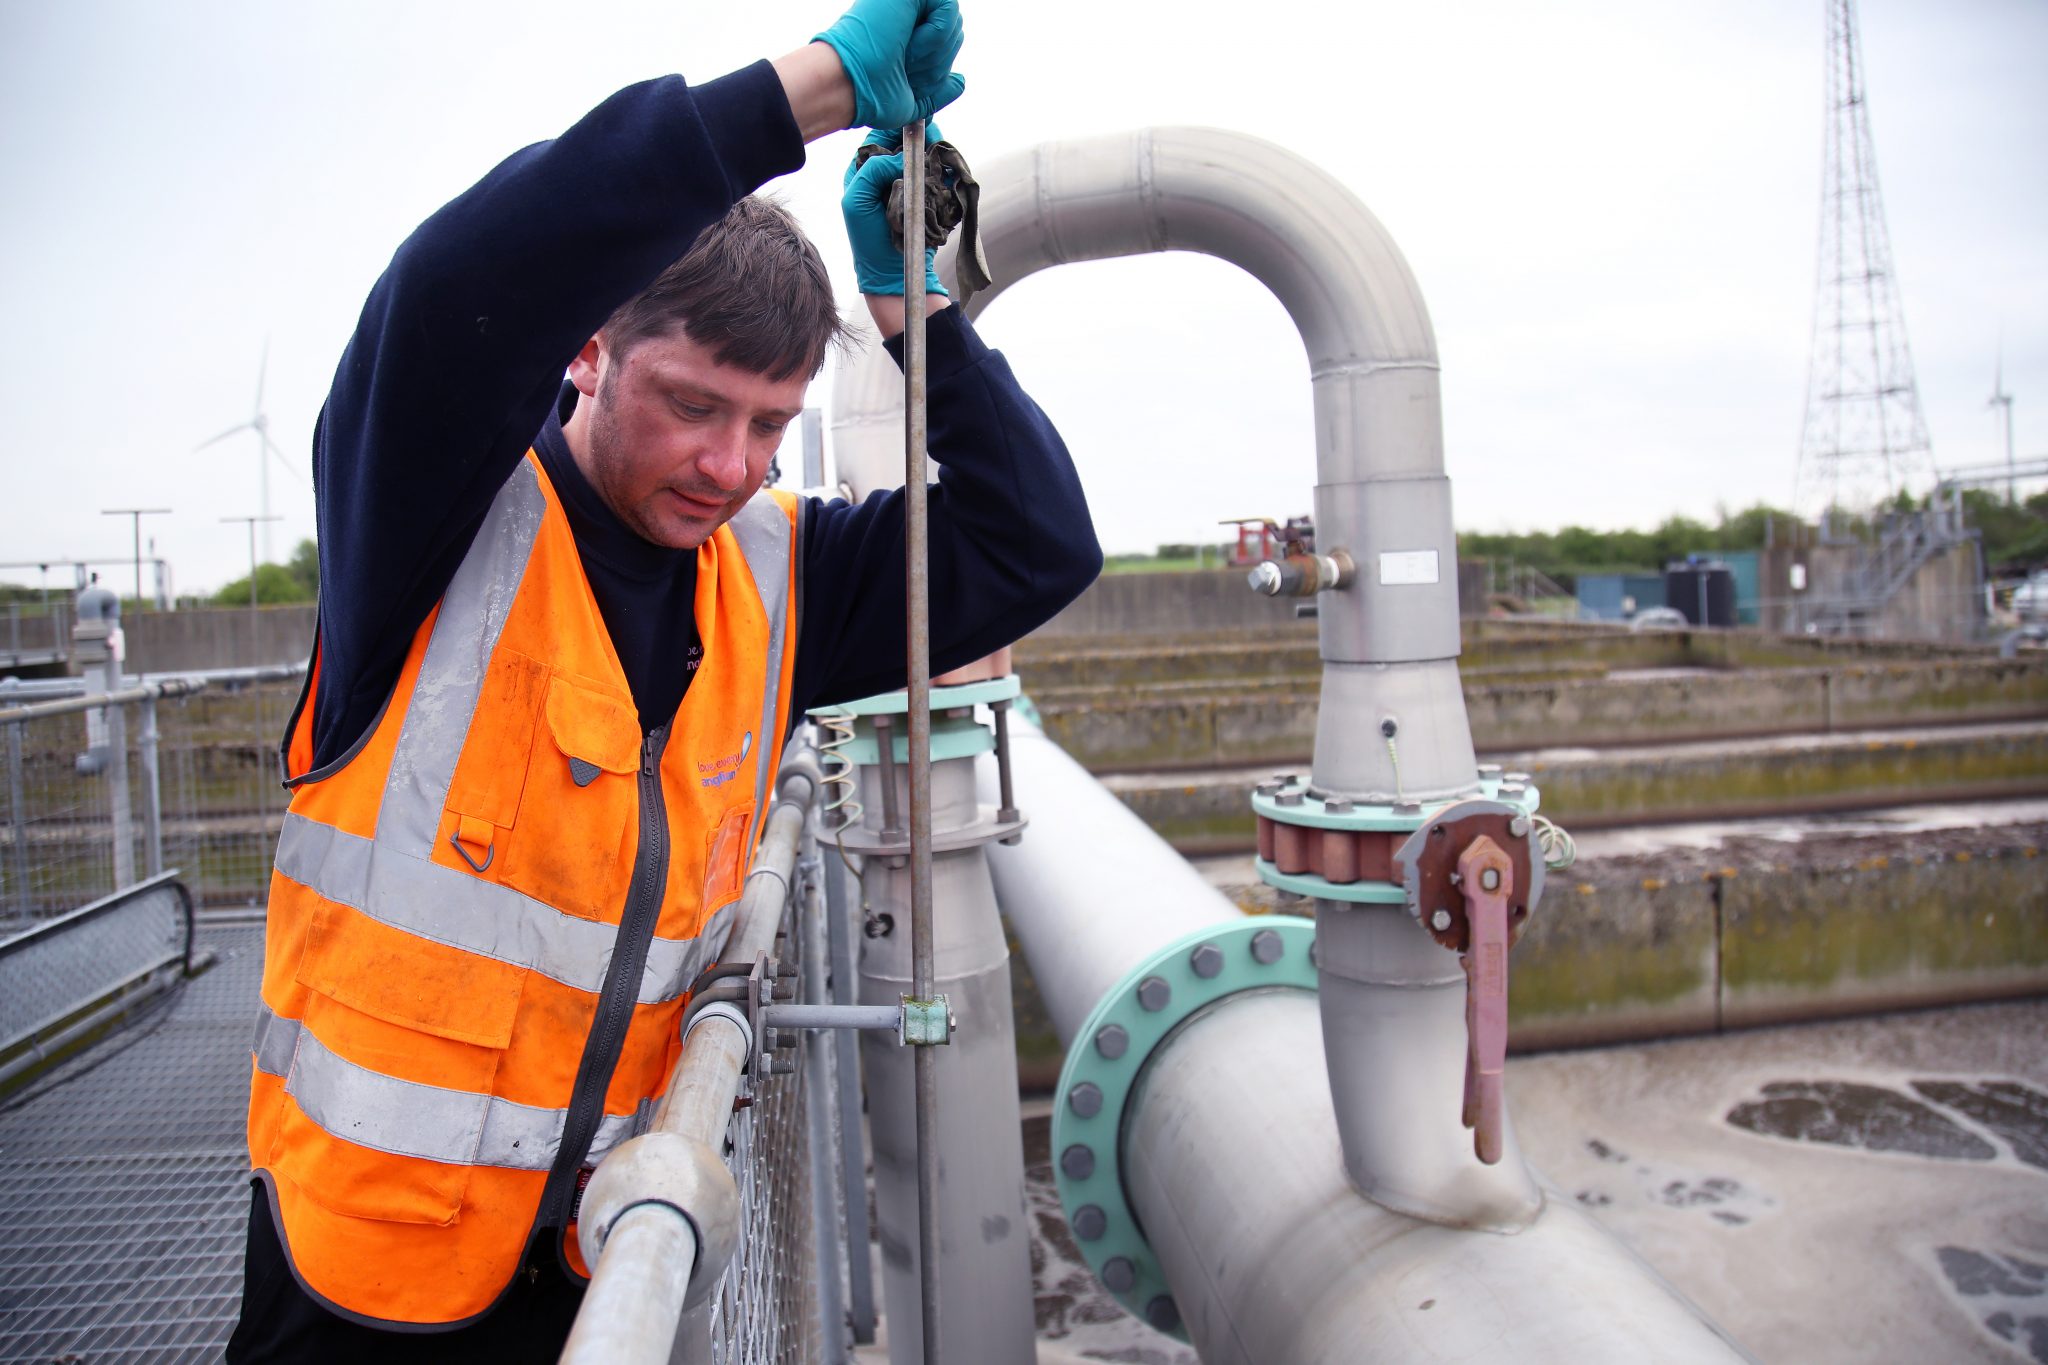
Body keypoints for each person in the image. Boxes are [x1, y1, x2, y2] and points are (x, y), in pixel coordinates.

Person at [225, 1, 1100, 1357]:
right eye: (692, 402)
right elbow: (466, 276)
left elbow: (1032, 539)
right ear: (587, 351)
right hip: (364, 1269)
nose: (732, 463)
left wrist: (921, 315)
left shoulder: (777, 574)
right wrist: (801, 94)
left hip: (598, 1258)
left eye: (770, 423)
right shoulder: (431, 516)